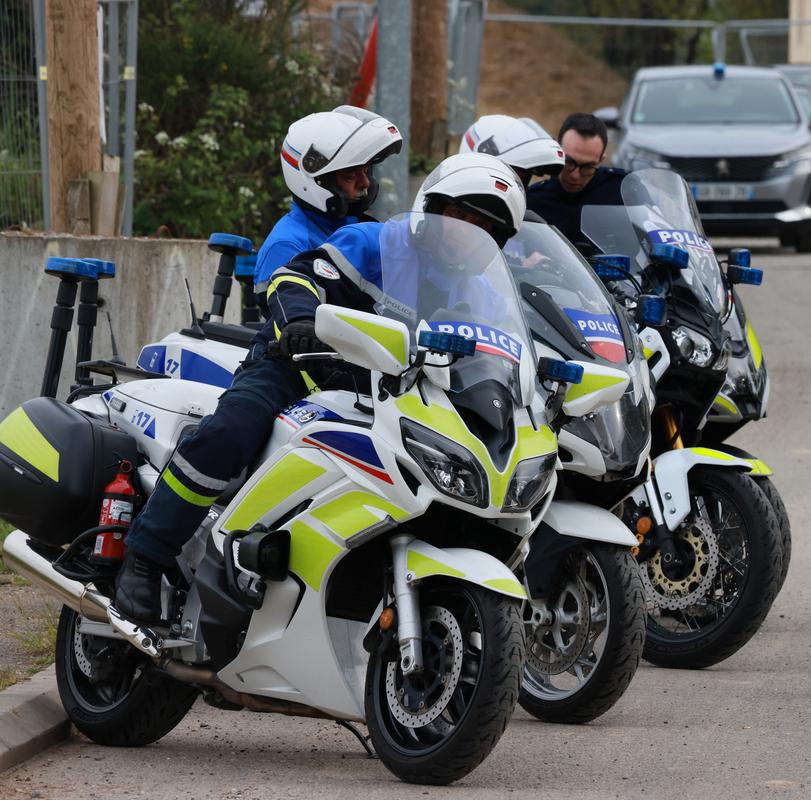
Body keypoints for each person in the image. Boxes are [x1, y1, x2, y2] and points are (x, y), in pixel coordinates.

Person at [113, 152, 525, 625]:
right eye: (461, 217)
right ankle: (145, 558)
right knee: (230, 431)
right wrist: (302, 321)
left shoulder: (483, 297)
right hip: (297, 366)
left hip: (388, 397)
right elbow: (295, 276)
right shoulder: (374, 241)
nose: (470, 234)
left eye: (487, 229)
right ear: (433, 209)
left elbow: (504, 358)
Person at [252, 105, 404, 307]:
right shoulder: (288, 245)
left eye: (366, 170)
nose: (365, 182)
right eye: (350, 175)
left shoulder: (356, 229)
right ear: (317, 180)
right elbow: (293, 323)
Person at [526, 112, 626, 248]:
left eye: (588, 167)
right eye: (569, 162)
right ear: (557, 151)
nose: (575, 175)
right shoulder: (532, 201)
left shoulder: (623, 190)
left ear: (601, 161)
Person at [459, 114, 564, 190]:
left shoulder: (529, 217)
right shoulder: (446, 210)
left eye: (523, 179)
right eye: (512, 176)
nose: (517, 188)